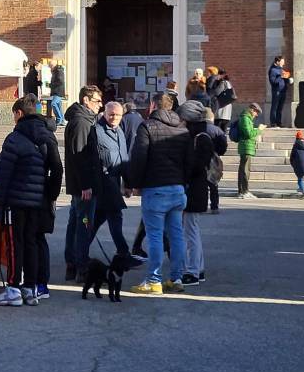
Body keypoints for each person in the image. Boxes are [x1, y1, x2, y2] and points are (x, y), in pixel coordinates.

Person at [0, 95, 62, 307]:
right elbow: (57, 168)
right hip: (37, 201)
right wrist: (50, 195)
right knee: (31, 243)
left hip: (15, 200)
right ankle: (30, 288)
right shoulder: (47, 136)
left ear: (19, 113)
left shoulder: (15, 138)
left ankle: (13, 288)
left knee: (15, 244)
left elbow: (3, 178)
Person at [127, 91, 191, 295]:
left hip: (155, 188)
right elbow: (189, 159)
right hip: (177, 188)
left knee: (155, 236)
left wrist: (134, 183)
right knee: (176, 235)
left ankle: (154, 280)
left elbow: (139, 157)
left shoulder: (147, 126)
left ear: (153, 106)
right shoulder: (183, 128)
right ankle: (177, 277)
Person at [79, 101, 143, 276]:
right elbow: (88, 161)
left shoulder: (120, 132)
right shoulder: (96, 132)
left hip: (114, 182)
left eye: (117, 115)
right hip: (102, 183)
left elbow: (124, 160)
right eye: (111, 114)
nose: (114, 118)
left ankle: (80, 257)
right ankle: (122, 253)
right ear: (105, 114)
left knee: (96, 221)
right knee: (115, 217)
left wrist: (128, 184)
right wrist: (87, 185)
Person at [177, 101, 226, 286]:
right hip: (195, 190)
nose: (180, 122)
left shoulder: (200, 138)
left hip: (194, 190)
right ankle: (199, 268)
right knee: (192, 230)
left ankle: (192, 271)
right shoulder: (198, 136)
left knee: (190, 232)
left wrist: (183, 170)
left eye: (182, 118)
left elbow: (196, 165)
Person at [63, 86, 103, 281]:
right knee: (84, 223)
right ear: (86, 101)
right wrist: (86, 184)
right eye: (96, 101)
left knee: (76, 221)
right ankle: (81, 265)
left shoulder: (84, 120)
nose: (99, 105)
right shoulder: (81, 122)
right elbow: (79, 155)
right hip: (84, 188)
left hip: (82, 185)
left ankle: (73, 261)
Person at [236, 103, 264, 198]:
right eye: (256, 112)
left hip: (247, 147)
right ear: (252, 110)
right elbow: (248, 134)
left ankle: (242, 191)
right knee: (245, 170)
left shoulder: (247, 119)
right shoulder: (245, 118)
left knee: (244, 170)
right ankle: (244, 191)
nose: (256, 115)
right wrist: (259, 130)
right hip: (246, 147)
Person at [205, 107, 223, 213]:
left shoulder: (197, 128)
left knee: (201, 184)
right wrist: (218, 153)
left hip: (200, 158)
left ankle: (202, 206)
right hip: (213, 158)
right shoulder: (217, 130)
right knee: (213, 183)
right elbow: (223, 145)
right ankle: (214, 206)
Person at [211, 69, 235, 133]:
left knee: (218, 129)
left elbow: (216, 93)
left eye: (218, 75)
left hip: (221, 109)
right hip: (227, 111)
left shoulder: (223, 83)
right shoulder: (229, 83)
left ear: (221, 75)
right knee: (224, 129)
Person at [290, 130, 304, 197]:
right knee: (301, 177)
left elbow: (292, 157)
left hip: (298, 164)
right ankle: (300, 188)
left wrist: (293, 164)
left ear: (296, 138)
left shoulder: (296, 145)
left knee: (300, 178)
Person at [268, 56, 289, 128]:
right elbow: (273, 81)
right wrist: (281, 76)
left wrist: (288, 80)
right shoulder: (273, 70)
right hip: (277, 91)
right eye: (282, 62)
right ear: (277, 62)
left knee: (280, 108)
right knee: (275, 107)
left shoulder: (281, 70)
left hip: (283, 91)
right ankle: (273, 123)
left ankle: (279, 123)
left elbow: (283, 80)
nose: (283, 63)